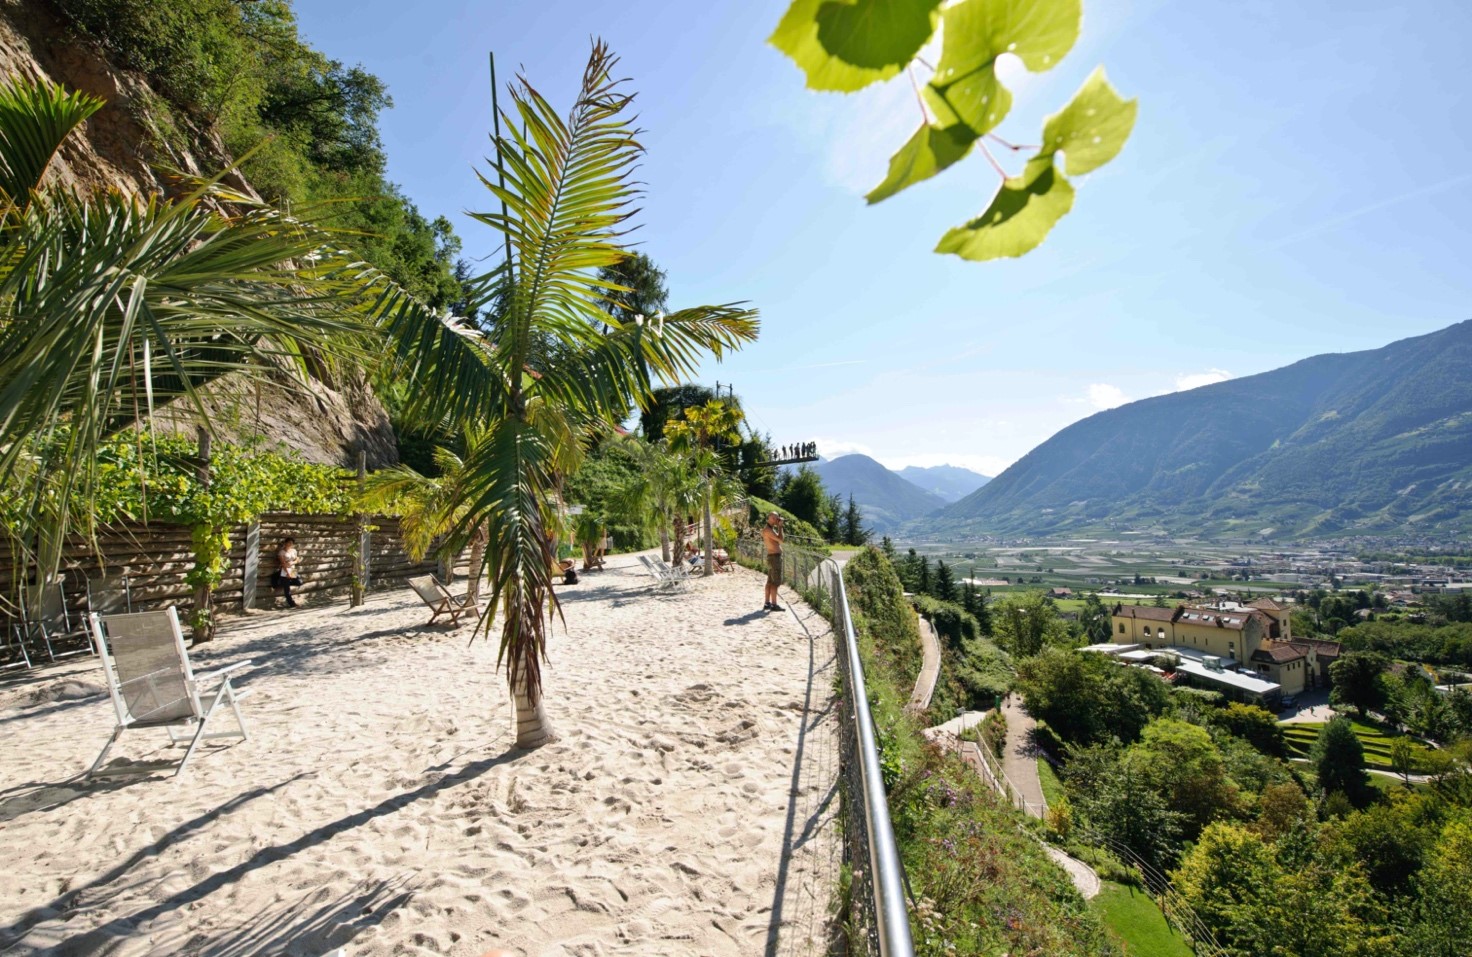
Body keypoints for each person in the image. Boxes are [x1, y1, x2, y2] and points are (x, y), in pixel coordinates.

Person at [761, 512, 784, 611]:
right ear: (769, 518)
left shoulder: (769, 529)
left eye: (777, 518)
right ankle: (774, 605)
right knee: (775, 582)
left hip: (772, 557)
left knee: (770, 581)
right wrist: (780, 527)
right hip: (774, 558)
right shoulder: (768, 530)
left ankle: (767, 603)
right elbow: (781, 540)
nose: (776, 520)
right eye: (774, 518)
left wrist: (777, 527)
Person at [272, 537, 303, 608]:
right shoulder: (281, 552)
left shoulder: (294, 551)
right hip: (285, 570)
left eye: (291, 543)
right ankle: (292, 604)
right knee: (287, 589)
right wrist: (288, 573)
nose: (290, 544)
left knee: (299, 582)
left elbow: (297, 559)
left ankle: (282, 582)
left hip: (293, 570)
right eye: (289, 542)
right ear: (285, 543)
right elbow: (283, 564)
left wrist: (292, 563)